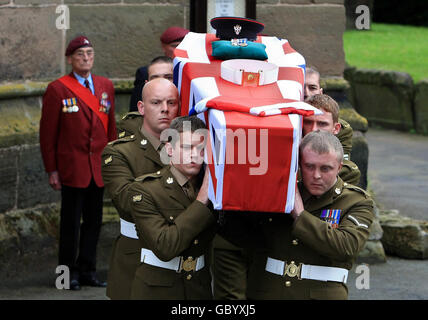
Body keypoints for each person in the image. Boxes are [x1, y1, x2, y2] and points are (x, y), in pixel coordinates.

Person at [239, 131, 374, 299]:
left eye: (325, 168)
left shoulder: (355, 201)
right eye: (309, 166)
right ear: (300, 164)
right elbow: (244, 235)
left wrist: (299, 214)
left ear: (339, 167)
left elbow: (346, 247)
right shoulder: (282, 193)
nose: (316, 175)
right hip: (269, 291)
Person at [39, 35, 117, 290]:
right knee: (70, 224)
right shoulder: (58, 89)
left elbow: (111, 127)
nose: (86, 58)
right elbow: (48, 133)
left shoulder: (105, 85)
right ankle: (67, 274)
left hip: (98, 167)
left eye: (89, 53)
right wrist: (52, 169)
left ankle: (88, 270)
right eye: (80, 54)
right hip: (72, 168)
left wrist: (114, 161)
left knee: (94, 222)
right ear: (71, 59)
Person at [101, 78, 179, 299]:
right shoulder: (119, 152)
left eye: (171, 103)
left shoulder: (189, 147)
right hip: (137, 260)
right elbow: (128, 203)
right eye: (156, 103)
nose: (165, 109)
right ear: (141, 108)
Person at [128, 115, 216, 300]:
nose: (194, 154)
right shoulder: (145, 190)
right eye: (186, 147)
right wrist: (202, 200)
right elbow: (165, 246)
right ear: (169, 148)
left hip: (198, 289)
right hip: (158, 290)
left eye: (200, 149)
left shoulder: (209, 189)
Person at [304, 94, 361, 185]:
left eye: (322, 124)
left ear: (336, 128)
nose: (314, 129)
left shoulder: (348, 173)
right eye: (308, 122)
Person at [129, 27, 189, 111]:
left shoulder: (192, 73)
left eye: (168, 77)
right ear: (164, 47)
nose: (180, 49)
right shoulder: (145, 73)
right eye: (175, 46)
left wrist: (186, 124)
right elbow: (136, 112)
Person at [118, 56, 174, 138]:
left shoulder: (191, 114)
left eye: (168, 77)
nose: (161, 82)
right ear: (146, 83)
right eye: (155, 78)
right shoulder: (133, 124)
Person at [304, 66, 353, 160]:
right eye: (301, 88)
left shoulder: (342, 129)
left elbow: (342, 168)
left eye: (312, 88)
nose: (307, 93)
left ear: (320, 92)